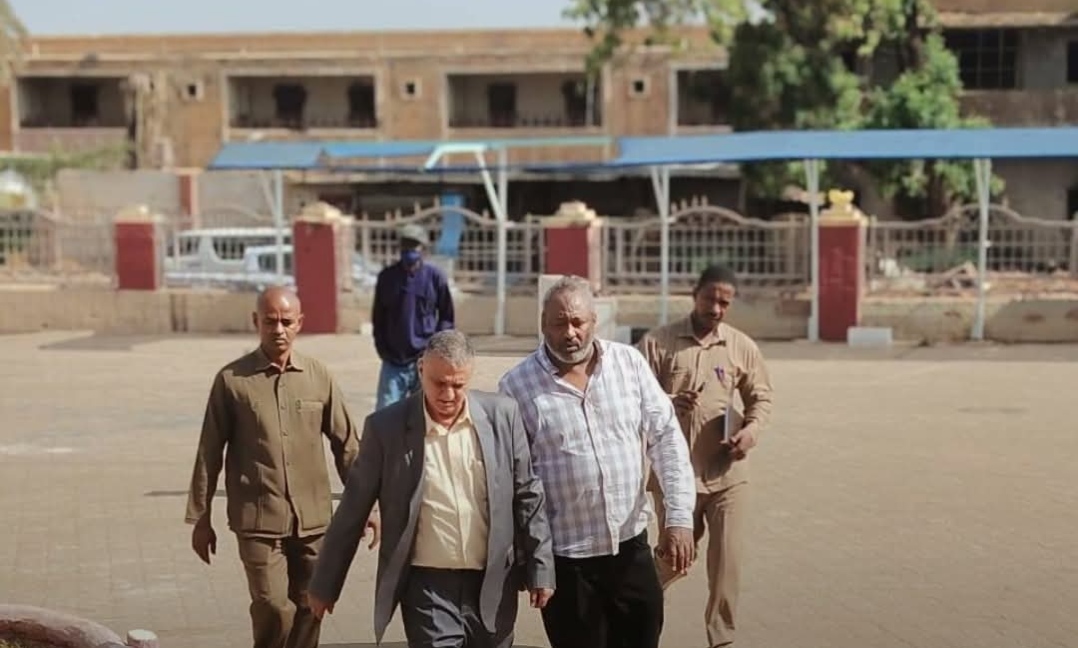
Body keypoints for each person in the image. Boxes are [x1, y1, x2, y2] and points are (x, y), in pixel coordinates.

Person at [308, 329, 556, 648]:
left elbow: (528, 495)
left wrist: (541, 567)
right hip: (427, 588)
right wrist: (325, 585)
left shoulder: (503, 416)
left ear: (470, 375)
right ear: (421, 368)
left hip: (493, 582)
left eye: (458, 385)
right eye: (439, 383)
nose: (448, 395)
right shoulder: (386, 428)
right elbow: (352, 509)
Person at [497, 275, 697, 648]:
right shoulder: (516, 386)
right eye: (559, 323)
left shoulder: (629, 364)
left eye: (578, 322)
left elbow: (667, 438)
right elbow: (513, 480)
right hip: (566, 562)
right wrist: (531, 561)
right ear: (543, 325)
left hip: (630, 549)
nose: (570, 333)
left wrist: (679, 518)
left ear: (594, 320)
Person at [184, 286, 380, 648]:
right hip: (258, 520)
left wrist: (367, 505)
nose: (278, 329)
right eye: (270, 321)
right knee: (273, 607)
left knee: (312, 604)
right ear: (255, 321)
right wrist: (201, 517)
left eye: (286, 322)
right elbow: (209, 451)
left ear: (299, 323)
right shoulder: (232, 381)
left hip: (313, 520)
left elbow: (348, 445)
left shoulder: (318, 376)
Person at [636, 264, 774, 648]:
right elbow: (631, 394)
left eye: (724, 303)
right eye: (710, 299)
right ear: (694, 294)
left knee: (728, 563)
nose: (715, 309)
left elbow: (761, 398)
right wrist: (668, 401)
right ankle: (633, 608)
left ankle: (722, 639)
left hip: (728, 474)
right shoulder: (659, 343)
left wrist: (751, 431)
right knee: (674, 557)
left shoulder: (740, 347)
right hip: (675, 475)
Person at [371, 223, 455, 410]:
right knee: (386, 415)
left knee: (426, 414)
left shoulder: (435, 277)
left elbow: (446, 316)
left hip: (425, 360)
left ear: (423, 249)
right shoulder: (387, 278)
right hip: (394, 362)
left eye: (413, 246)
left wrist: (437, 350)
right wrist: (383, 349)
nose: (408, 250)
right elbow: (378, 318)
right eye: (405, 245)